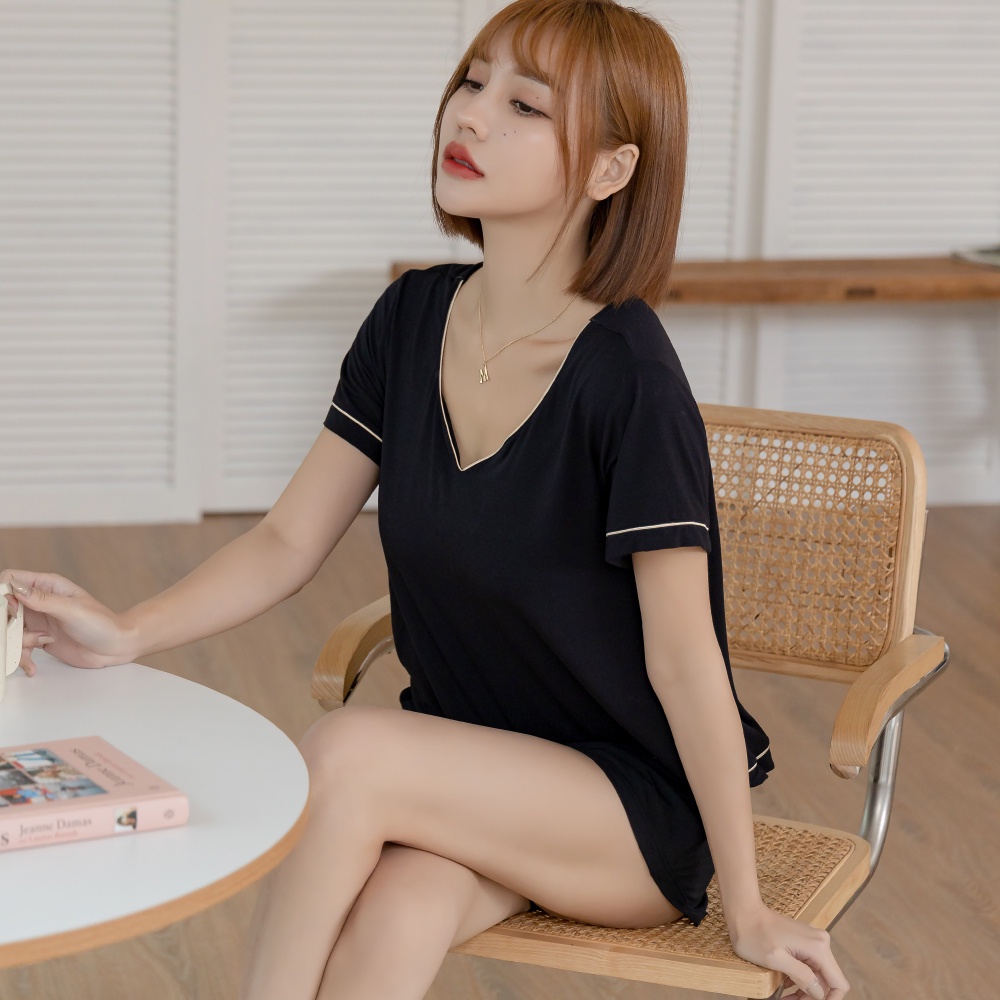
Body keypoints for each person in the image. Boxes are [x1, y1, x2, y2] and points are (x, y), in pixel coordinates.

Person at [0, 2, 850, 998]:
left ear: (610, 169)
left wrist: (747, 905)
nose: (471, 115)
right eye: (473, 81)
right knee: (398, 918)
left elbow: (684, 659)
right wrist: (127, 631)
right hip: (467, 767)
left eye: (526, 106)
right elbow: (286, 539)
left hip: (624, 810)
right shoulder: (411, 320)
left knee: (350, 750)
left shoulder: (629, 378)